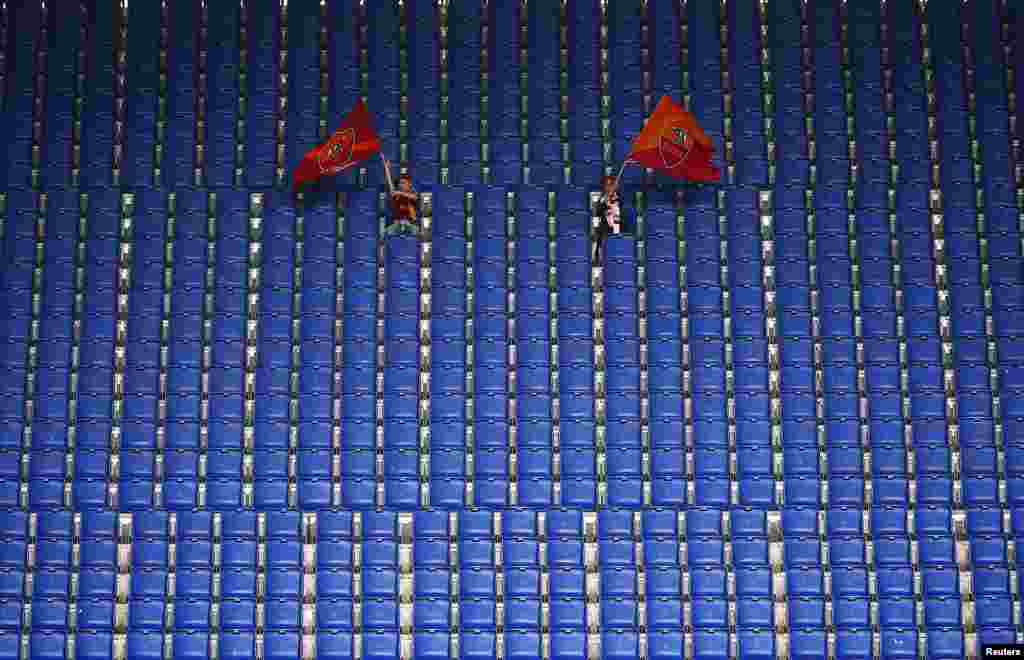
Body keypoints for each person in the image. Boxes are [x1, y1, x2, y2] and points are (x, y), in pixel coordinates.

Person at [383, 156, 419, 238]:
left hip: (410, 223)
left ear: (409, 184)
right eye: (400, 183)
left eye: (404, 183)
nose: (402, 185)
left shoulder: (412, 194)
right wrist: (387, 168)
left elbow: (415, 197)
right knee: (386, 233)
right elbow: (389, 182)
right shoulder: (395, 194)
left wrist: (399, 192)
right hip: (397, 223)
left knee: (417, 233)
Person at [592, 175, 622, 262]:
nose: (608, 187)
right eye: (606, 185)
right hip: (605, 227)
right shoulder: (602, 198)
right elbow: (597, 212)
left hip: (616, 225)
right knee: (600, 231)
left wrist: (611, 204)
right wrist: (603, 203)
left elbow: (617, 211)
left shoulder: (617, 197)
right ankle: (598, 255)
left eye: (610, 185)